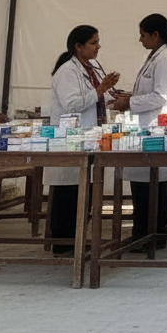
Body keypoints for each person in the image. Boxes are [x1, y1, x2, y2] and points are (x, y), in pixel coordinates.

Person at [109, 14, 167, 248]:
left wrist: (130, 103)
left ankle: (149, 237)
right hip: (148, 127)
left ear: (155, 35)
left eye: (143, 35)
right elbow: (151, 92)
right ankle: (146, 235)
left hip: (155, 129)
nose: (140, 39)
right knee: (146, 186)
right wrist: (129, 97)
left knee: (151, 187)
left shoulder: (166, 59)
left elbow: (162, 96)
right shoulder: (156, 56)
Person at [45, 26, 120, 255]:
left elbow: (93, 100)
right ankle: (63, 244)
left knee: (84, 192)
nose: (98, 47)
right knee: (68, 194)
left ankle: (77, 240)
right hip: (70, 139)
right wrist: (100, 90)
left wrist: (111, 97)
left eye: (98, 42)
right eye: (93, 43)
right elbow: (71, 104)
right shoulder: (67, 71)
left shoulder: (89, 69)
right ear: (78, 46)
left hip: (88, 138)